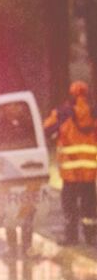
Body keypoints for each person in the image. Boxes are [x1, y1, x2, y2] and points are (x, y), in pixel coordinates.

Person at [45, 80, 97, 246]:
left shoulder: (62, 113)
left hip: (70, 172)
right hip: (90, 171)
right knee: (89, 206)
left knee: (70, 205)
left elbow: (46, 129)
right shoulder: (94, 112)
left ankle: (72, 237)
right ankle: (91, 237)